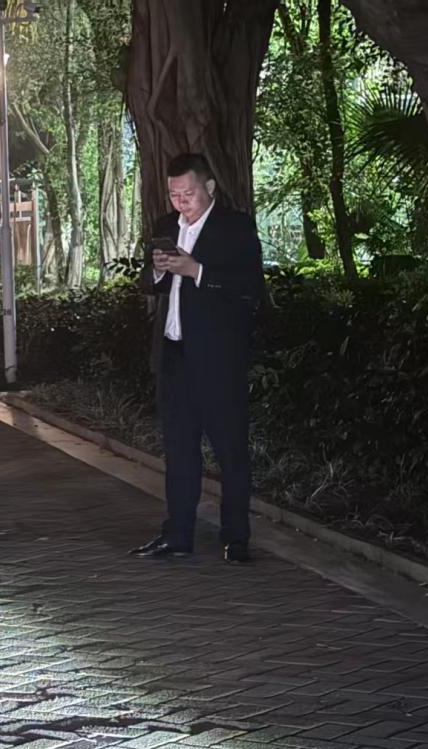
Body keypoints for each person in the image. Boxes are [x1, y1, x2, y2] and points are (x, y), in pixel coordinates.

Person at [130, 152, 264, 564]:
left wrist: (197, 271)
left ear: (209, 187)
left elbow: (250, 288)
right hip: (174, 355)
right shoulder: (165, 227)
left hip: (218, 359)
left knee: (229, 449)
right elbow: (149, 283)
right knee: (179, 450)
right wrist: (158, 270)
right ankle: (178, 534)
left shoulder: (235, 227)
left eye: (188, 193)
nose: (181, 202)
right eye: (174, 195)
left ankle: (236, 536)